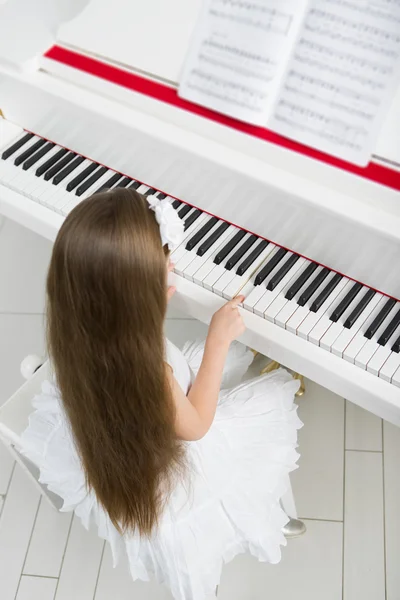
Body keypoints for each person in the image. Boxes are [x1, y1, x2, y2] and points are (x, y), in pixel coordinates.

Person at [21, 188, 303, 600]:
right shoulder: (148, 371)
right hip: (172, 469)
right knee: (253, 407)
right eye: (162, 265)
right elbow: (197, 426)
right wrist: (217, 342)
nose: (172, 267)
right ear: (133, 300)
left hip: (115, 423)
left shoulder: (79, 327)